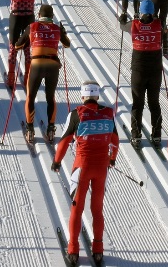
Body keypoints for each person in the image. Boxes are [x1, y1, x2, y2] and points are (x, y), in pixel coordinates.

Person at [52, 81, 119, 266]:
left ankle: (73, 250)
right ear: (97, 96)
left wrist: (56, 162)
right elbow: (115, 139)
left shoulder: (76, 114)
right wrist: (112, 158)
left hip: (82, 167)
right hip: (101, 168)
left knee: (77, 208)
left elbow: (64, 141)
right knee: (97, 209)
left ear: (82, 96)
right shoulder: (108, 113)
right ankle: (98, 250)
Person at [14, 4, 71, 142]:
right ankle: (51, 130)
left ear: (39, 15)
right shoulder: (57, 28)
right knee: (50, 98)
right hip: (52, 66)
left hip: (37, 64)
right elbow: (67, 44)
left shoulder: (32, 26)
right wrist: (63, 32)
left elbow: (18, 45)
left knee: (31, 97)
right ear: (52, 17)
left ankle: (30, 129)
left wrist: (28, 40)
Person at [119, 0, 164, 147]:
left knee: (138, 104)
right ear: (153, 12)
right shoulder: (158, 25)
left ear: (141, 11)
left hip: (138, 71)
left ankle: (136, 135)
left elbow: (122, 25)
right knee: (154, 103)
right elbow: (160, 29)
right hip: (155, 71)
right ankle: (156, 135)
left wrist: (123, 18)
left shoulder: (134, 25)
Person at [0, 0, 47, 90]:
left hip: (15, 17)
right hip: (29, 17)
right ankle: (27, 78)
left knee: (13, 46)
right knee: (27, 47)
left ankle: (11, 78)